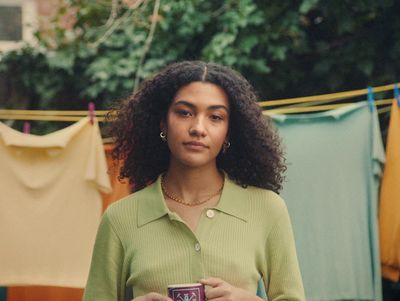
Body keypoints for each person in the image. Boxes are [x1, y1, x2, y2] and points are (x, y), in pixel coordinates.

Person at [83, 61, 305, 301]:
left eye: (216, 117)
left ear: (229, 131)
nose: (198, 128)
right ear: (162, 123)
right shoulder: (119, 219)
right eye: (185, 113)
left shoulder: (268, 209)